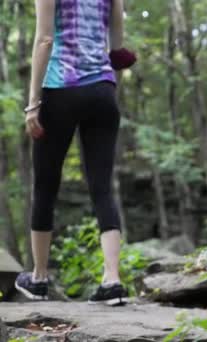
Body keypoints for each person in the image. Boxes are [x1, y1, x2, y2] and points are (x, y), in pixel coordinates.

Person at [15, 0, 136, 306]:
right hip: (102, 91)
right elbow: (117, 49)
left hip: (60, 87)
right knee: (102, 187)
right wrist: (108, 87)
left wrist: (33, 102)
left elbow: (45, 39)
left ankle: (40, 278)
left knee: (45, 185)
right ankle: (112, 280)